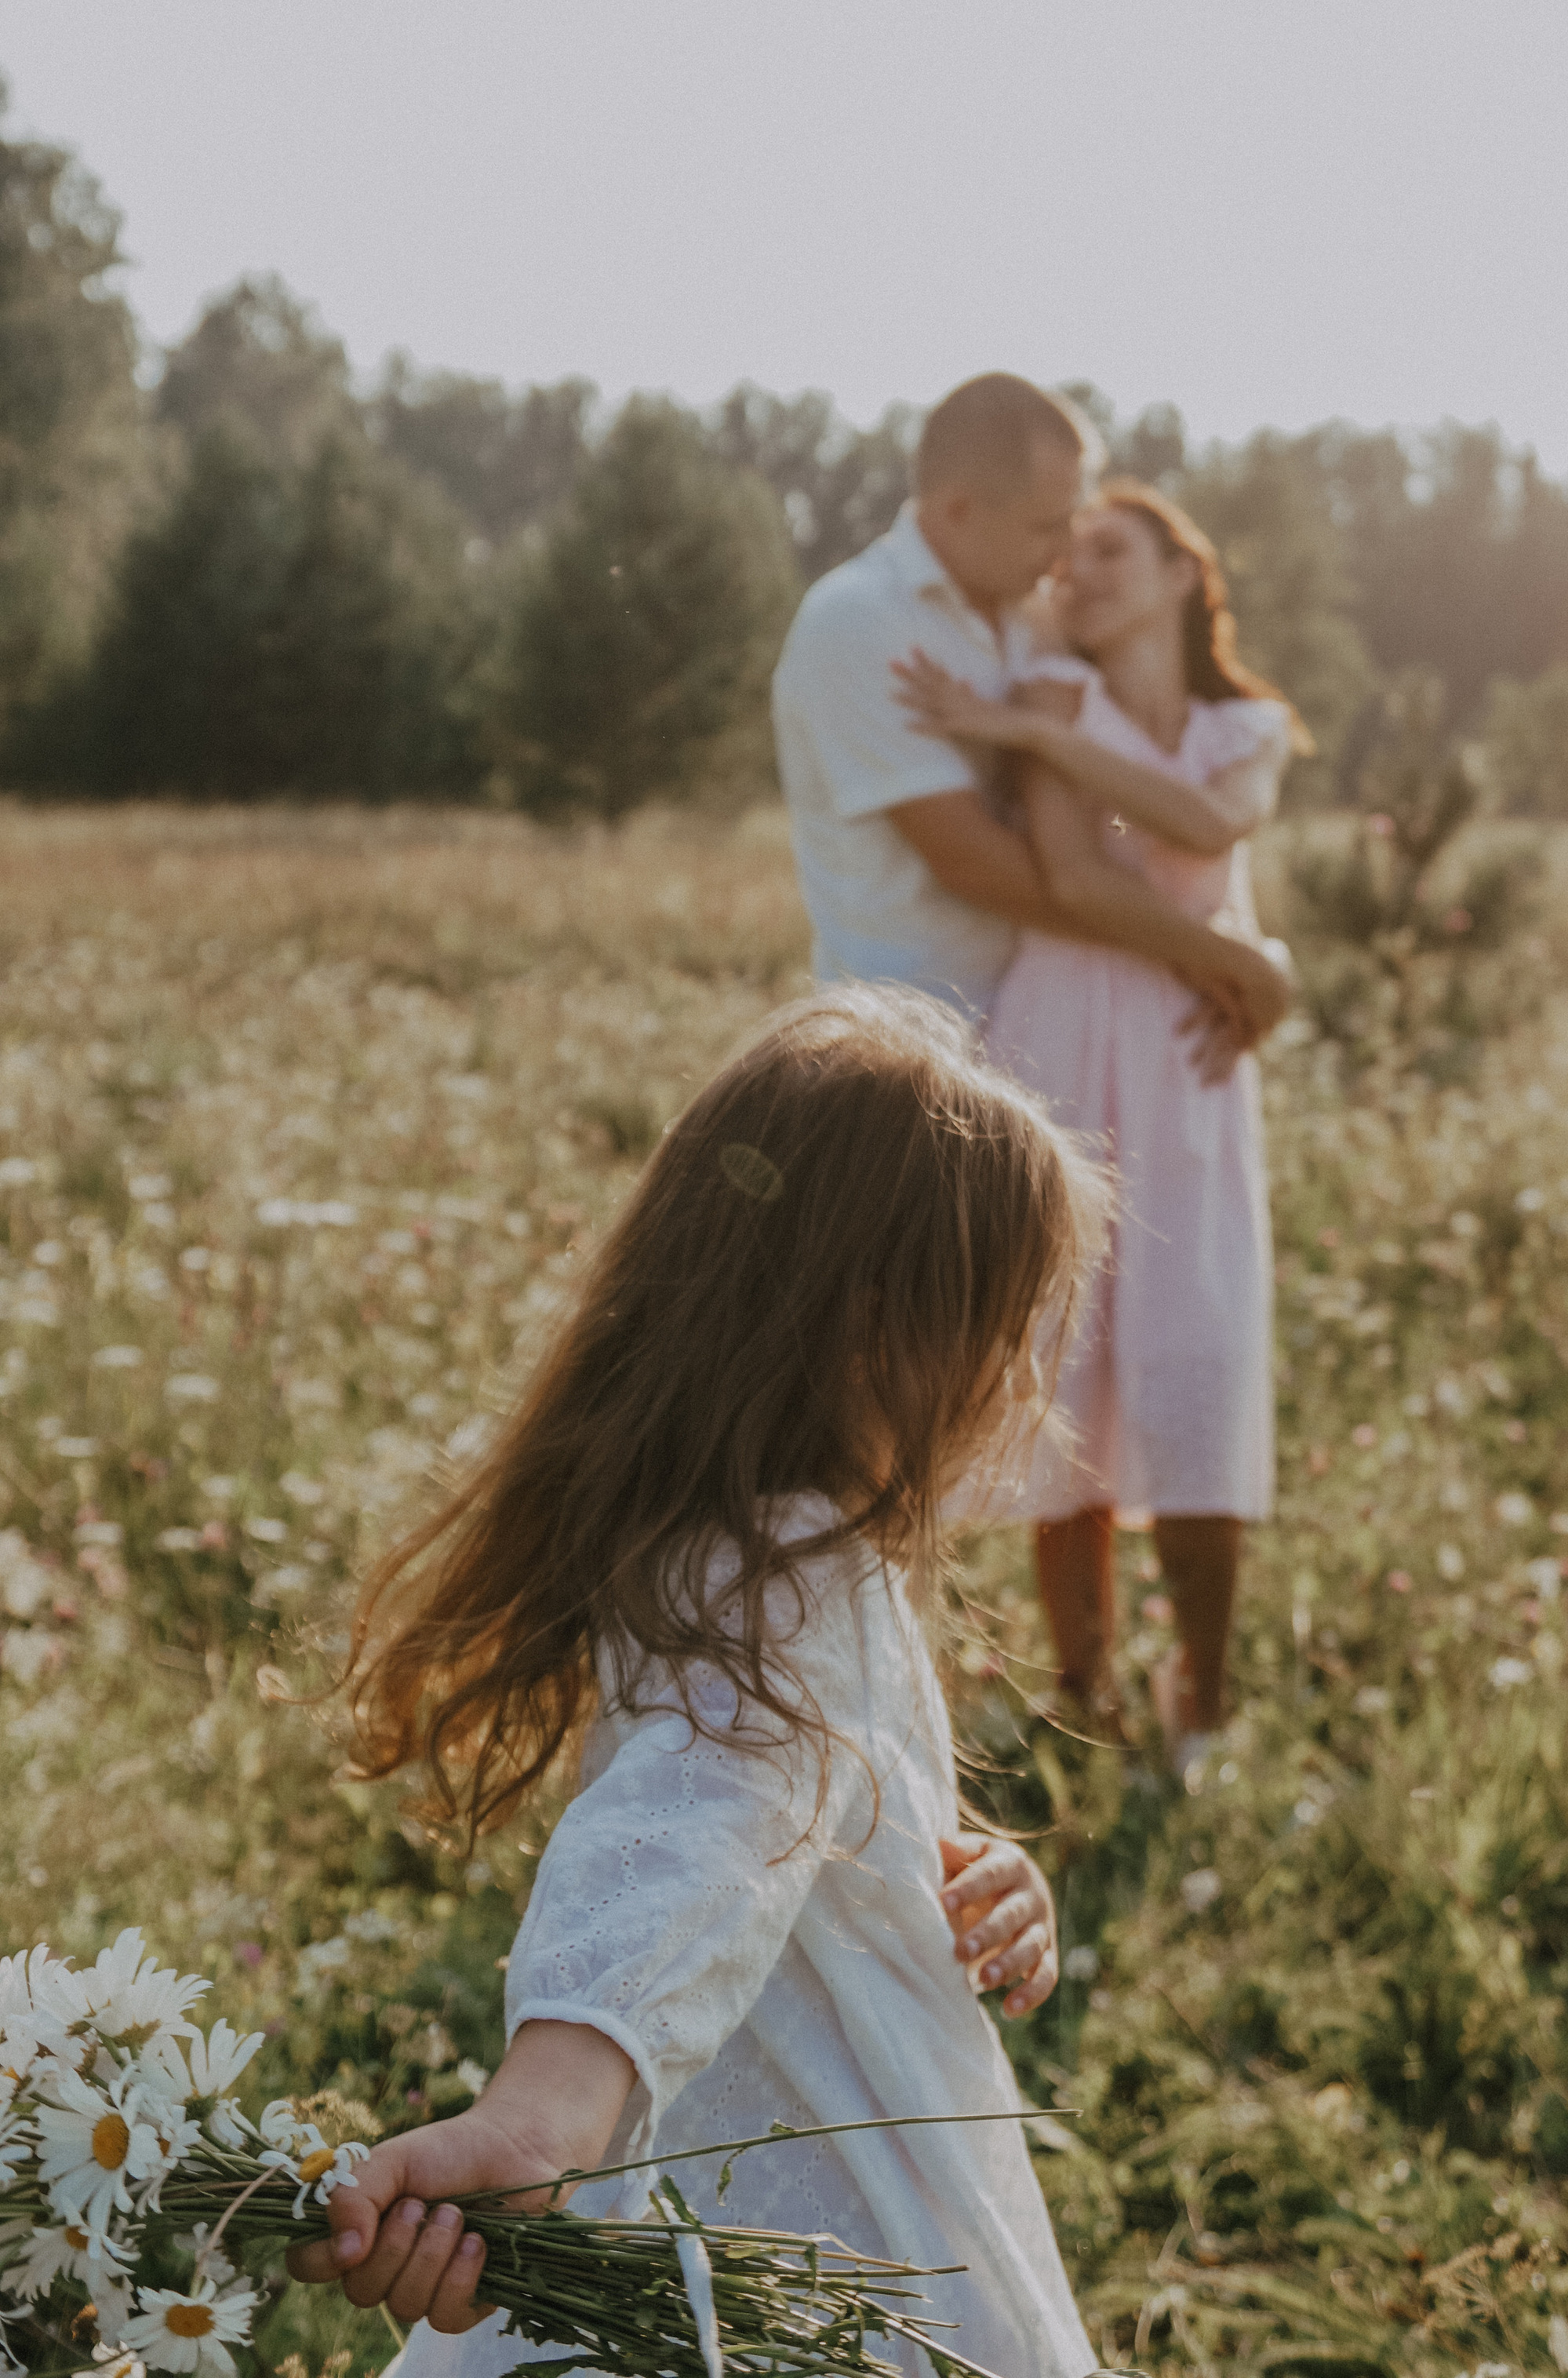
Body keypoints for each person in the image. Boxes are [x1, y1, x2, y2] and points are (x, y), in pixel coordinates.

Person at [289, 989, 1110, 2378]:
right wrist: (550, 2106)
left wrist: (964, 1877)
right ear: (872, 1331)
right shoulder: (782, 1575)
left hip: (759, 2188)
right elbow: (699, 1820)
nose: (1020, 1377)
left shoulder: (749, 1540)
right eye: (1000, 1324)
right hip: (820, 2250)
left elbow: (798, 1819)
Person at [893, 485, 1306, 1783]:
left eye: (1113, 550)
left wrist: (1252, 980)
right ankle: (1086, 1701)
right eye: (1064, 560)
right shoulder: (1057, 698)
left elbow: (1207, 824)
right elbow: (1071, 881)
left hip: (1189, 1064)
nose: (1081, 573)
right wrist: (1245, 969)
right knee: (1059, 1365)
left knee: (1195, 1358)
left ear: (1187, 571)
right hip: (1066, 1029)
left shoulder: (1246, 724)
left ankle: (1204, 1716)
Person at [769, 370, 1291, 1056]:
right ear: (957, 511)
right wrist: (1207, 957)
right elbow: (972, 861)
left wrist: (1235, 946)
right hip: (908, 1042)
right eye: (1048, 526)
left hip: (1059, 1026)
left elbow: (1145, 783)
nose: (1066, 552)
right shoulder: (861, 623)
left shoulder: (1042, 617)